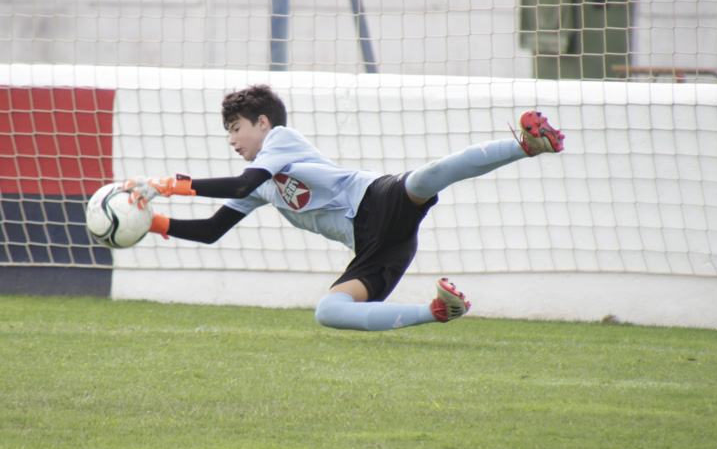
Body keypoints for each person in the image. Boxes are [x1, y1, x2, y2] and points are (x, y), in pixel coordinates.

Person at [123, 84, 564, 332]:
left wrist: (167, 185)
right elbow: (212, 230)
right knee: (328, 312)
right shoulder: (258, 182)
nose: (233, 140)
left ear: (263, 123)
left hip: (374, 198)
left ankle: (525, 144)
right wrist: (151, 222)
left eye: (236, 129)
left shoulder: (280, 141)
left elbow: (241, 182)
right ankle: (437, 311)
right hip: (374, 245)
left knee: (426, 177)